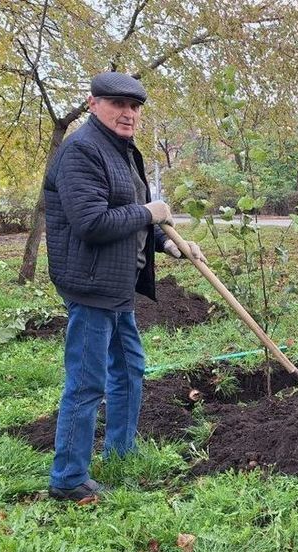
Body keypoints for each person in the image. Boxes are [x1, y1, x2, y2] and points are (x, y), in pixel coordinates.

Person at [44, 71, 206, 501]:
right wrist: (151, 214)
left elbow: (128, 215)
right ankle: (68, 479)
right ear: (93, 103)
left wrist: (169, 244)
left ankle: (121, 450)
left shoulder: (121, 151)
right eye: (118, 104)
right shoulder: (81, 151)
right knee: (86, 382)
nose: (129, 113)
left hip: (117, 284)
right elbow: (93, 223)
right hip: (90, 285)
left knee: (130, 369)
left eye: (135, 107)